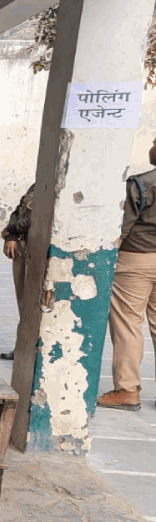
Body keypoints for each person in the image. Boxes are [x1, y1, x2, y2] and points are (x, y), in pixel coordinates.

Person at [97, 137, 156, 411]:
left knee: (128, 324)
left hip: (136, 259)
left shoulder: (141, 183)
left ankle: (127, 390)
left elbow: (121, 230)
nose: (151, 148)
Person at [0, 184, 36, 360]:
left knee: (34, 302)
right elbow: (18, 211)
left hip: (36, 248)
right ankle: (22, 347)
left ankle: (32, 349)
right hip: (23, 248)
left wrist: (12, 229)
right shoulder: (39, 184)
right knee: (23, 300)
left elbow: (38, 218)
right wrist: (11, 236)